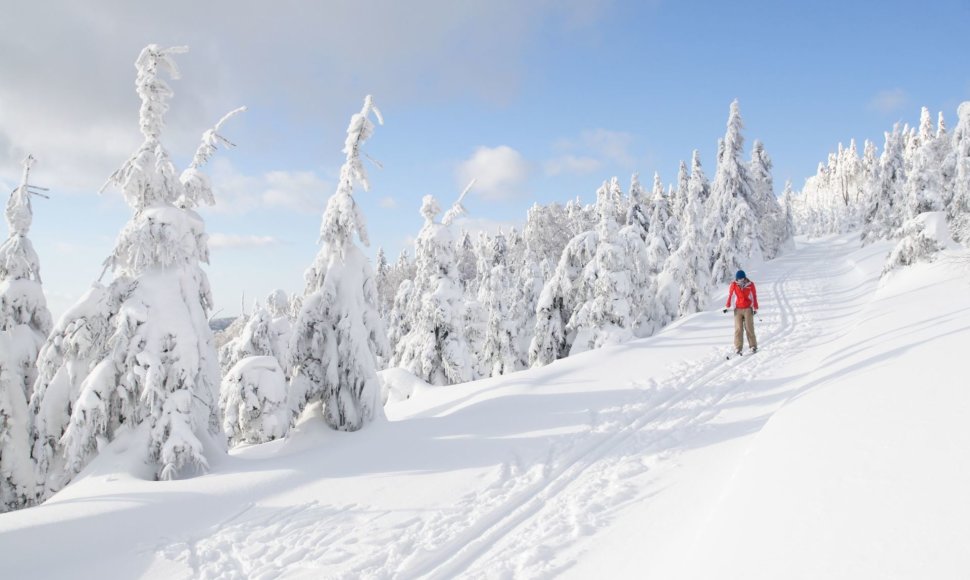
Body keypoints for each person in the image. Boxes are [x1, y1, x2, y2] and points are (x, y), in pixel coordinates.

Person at [723, 269, 758, 355]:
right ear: (737, 279)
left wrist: (755, 308)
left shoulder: (750, 285)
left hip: (748, 309)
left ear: (745, 278)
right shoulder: (734, 285)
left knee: (749, 327)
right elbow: (731, 296)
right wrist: (727, 307)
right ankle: (738, 348)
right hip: (737, 310)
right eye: (739, 279)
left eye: (742, 279)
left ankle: (753, 346)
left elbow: (754, 296)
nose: (741, 281)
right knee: (738, 329)